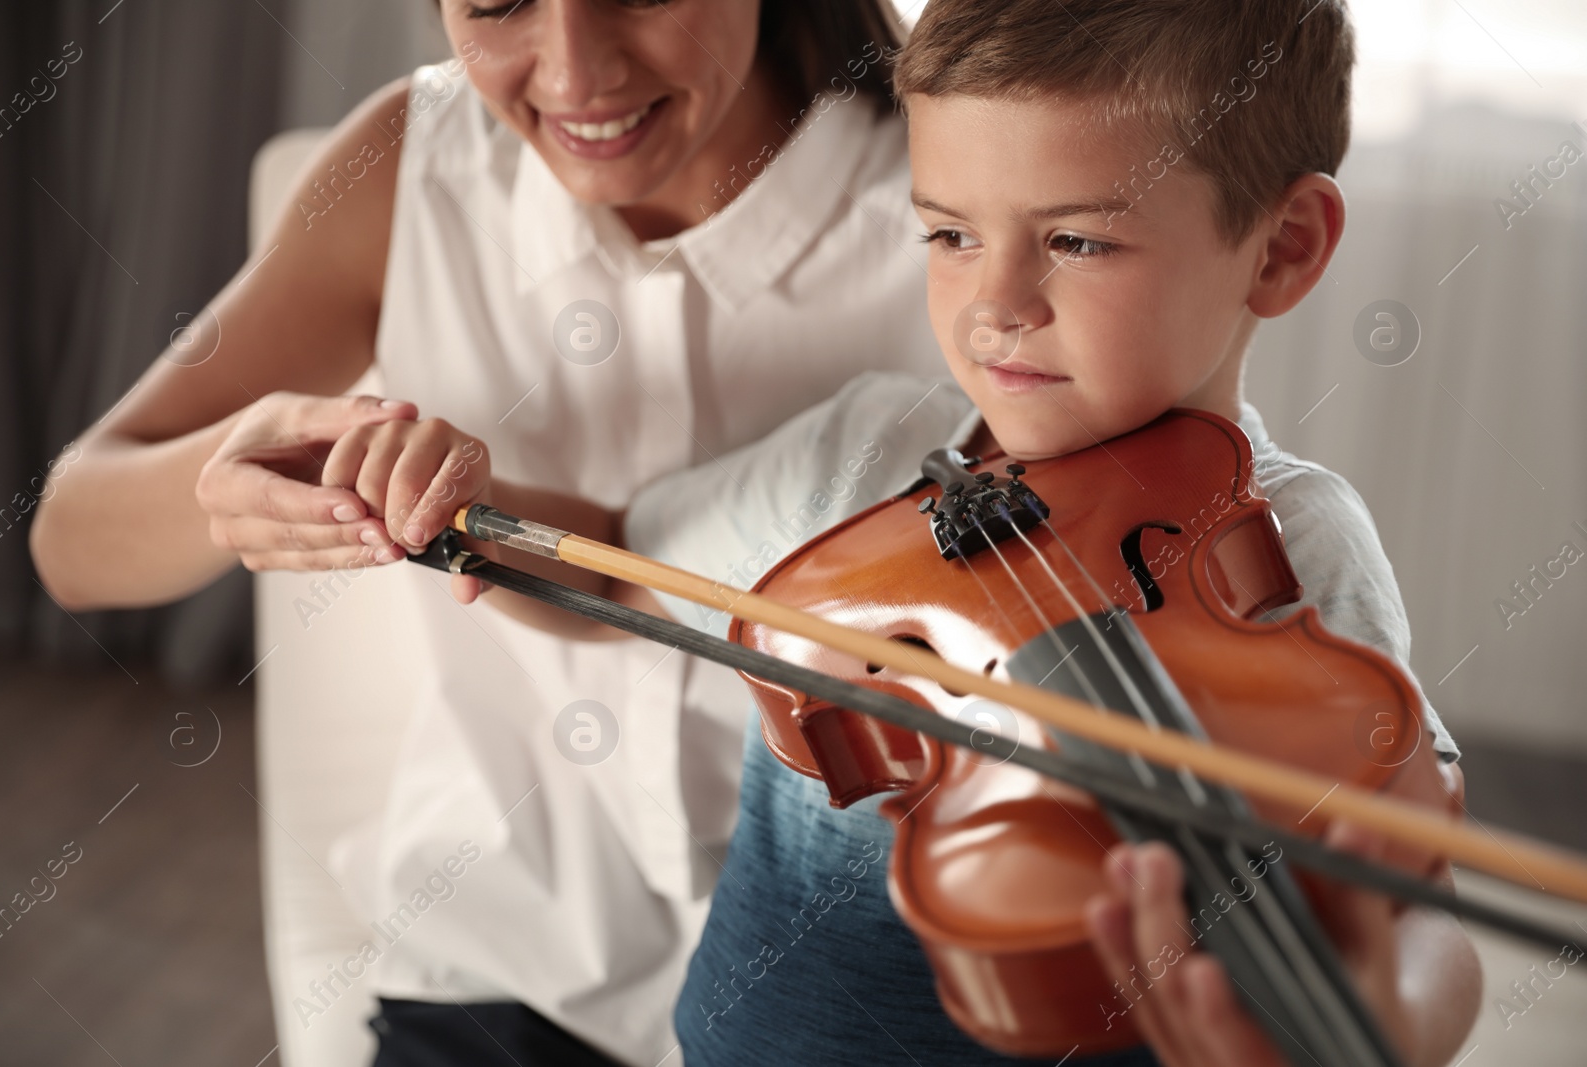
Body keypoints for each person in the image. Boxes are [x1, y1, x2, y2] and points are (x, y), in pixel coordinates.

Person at [287, 0, 1481, 1063]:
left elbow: (1415, 908)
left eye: (1075, 240)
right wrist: (468, 504)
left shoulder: (1286, 541)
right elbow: (622, 566)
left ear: (1281, 248)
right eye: (950, 233)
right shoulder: (856, 462)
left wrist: (1382, 1026)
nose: (995, 304)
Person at [28, 2, 945, 1064]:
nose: (575, 71)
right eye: (500, 0)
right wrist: (231, 460)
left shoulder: (960, 188)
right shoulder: (410, 164)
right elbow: (69, 539)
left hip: (869, 973)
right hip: (510, 968)